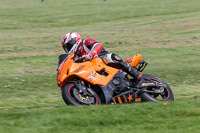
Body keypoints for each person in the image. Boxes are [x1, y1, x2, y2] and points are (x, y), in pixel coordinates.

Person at [59, 32, 142, 82]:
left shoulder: (86, 42)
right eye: (65, 48)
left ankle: (138, 76)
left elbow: (97, 45)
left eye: (68, 46)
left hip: (103, 60)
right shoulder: (76, 57)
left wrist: (92, 53)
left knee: (109, 58)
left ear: (75, 40)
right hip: (94, 72)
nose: (68, 49)